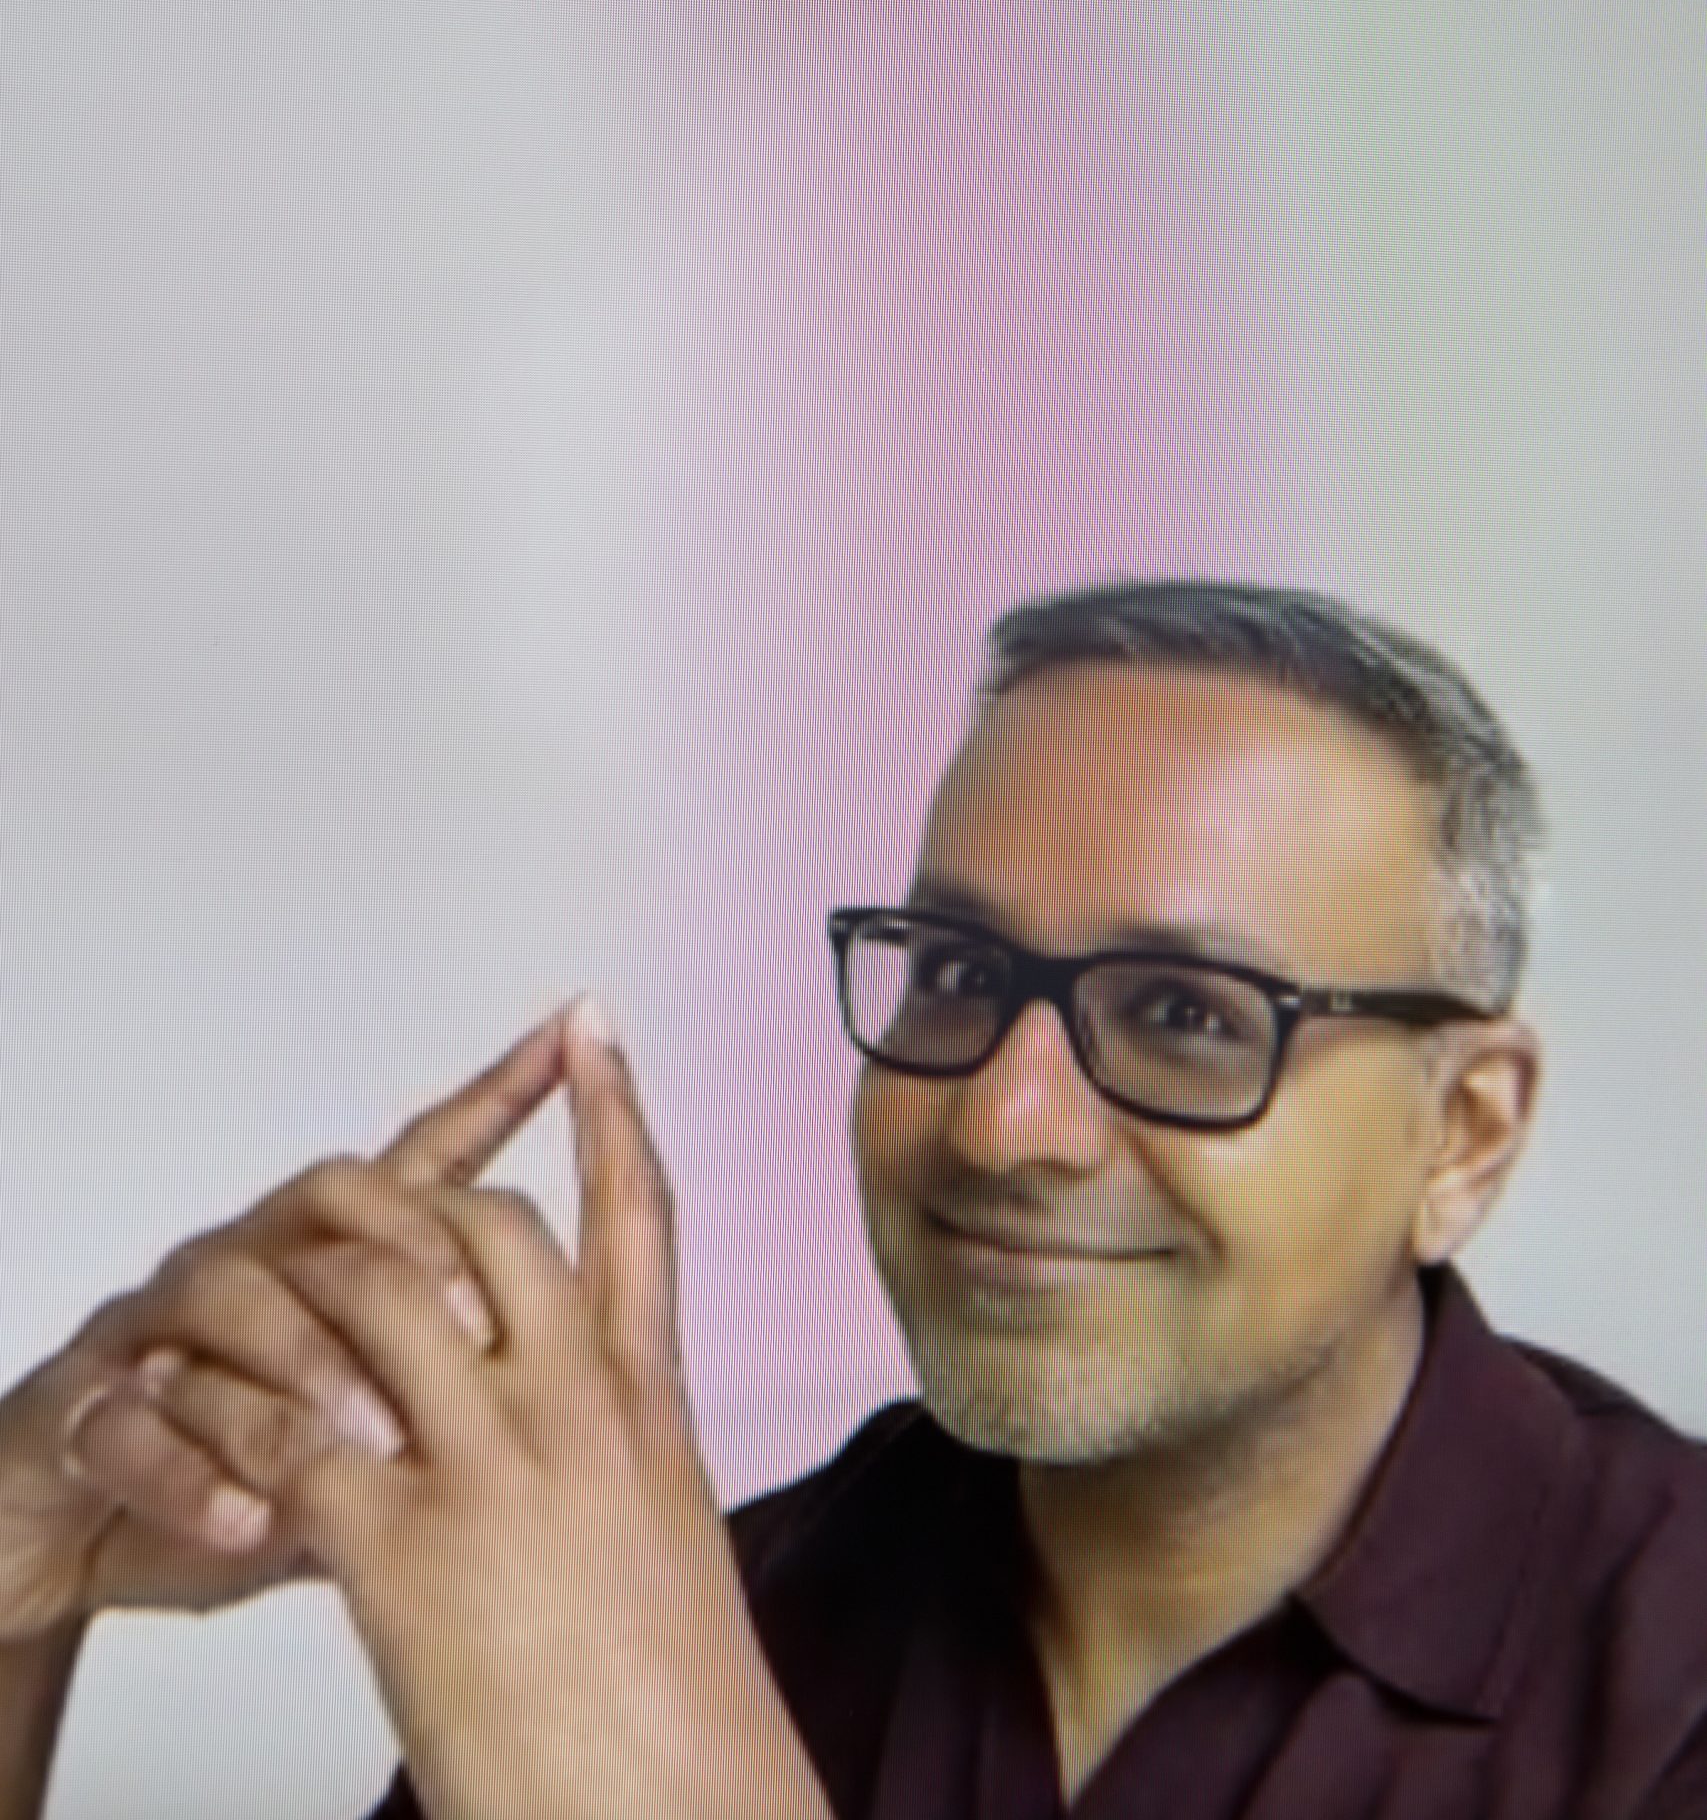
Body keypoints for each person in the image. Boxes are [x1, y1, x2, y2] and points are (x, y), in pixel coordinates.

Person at [3, 580, 1704, 1820]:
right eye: (960, 973)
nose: (1005, 1119)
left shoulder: (1668, 1685)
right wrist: (16, 1570)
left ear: (1465, 1135)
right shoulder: (731, 1606)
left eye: (1187, 1017)